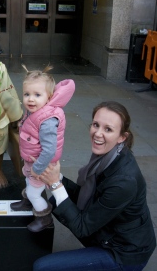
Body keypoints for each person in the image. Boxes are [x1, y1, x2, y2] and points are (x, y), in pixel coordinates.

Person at [32, 101, 156, 270]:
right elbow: (85, 194)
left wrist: (55, 184)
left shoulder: (124, 182)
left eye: (108, 129)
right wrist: (55, 175)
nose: (98, 134)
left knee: (42, 267)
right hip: (110, 232)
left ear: (122, 137)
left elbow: (83, 227)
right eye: (96, 125)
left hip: (125, 253)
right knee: (55, 202)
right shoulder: (108, 156)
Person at [10, 65, 75, 232]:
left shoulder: (47, 121)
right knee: (27, 180)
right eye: (27, 94)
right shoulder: (36, 111)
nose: (30, 99)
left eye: (37, 95)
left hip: (42, 165)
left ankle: (43, 216)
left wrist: (38, 169)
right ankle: (28, 202)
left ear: (49, 97)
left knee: (34, 192)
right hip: (32, 160)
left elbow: (49, 150)